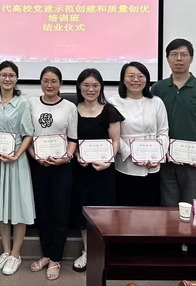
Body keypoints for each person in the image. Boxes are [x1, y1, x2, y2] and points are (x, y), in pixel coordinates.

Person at [0, 60, 35, 276]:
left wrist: (16, 155)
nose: (7, 78)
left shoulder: (22, 103)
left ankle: (15, 254)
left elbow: (28, 134)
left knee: (18, 207)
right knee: (0, 206)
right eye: (3, 75)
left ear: (16, 78)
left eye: (11, 75)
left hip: (16, 160)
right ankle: (5, 251)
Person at [152, 39, 196, 206]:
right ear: (167, 58)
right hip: (167, 159)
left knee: (193, 207)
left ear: (192, 58)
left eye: (184, 55)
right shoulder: (158, 88)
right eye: (174, 54)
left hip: (195, 160)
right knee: (168, 207)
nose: (179, 59)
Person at [27, 66, 77, 281]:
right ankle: (46, 254)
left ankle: (56, 258)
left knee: (60, 212)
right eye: (45, 81)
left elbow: (73, 138)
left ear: (60, 84)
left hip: (62, 167)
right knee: (43, 211)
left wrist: (66, 157)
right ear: (40, 83)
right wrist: (35, 156)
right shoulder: (31, 103)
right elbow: (27, 135)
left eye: (54, 81)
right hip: (38, 165)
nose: (49, 85)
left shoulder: (69, 107)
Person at [72, 68, 122, 273]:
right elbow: (70, 140)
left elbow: (116, 140)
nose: (90, 89)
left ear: (101, 87)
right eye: (86, 85)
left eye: (95, 85)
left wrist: (108, 161)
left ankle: (103, 252)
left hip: (104, 171)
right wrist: (77, 155)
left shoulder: (109, 110)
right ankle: (87, 251)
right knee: (83, 213)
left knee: (104, 213)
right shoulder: (72, 110)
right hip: (81, 170)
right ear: (79, 87)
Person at [108, 62, 169, 207]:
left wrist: (158, 156)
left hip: (152, 165)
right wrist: (131, 154)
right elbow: (114, 136)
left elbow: (163, 132)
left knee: (150, 210)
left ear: (146, 79)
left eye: (140, 76)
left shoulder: (156, 102)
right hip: (126, 165)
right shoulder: (113, 102)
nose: (136, 80)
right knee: (126, 209)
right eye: (131, 76)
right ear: (123, 79)